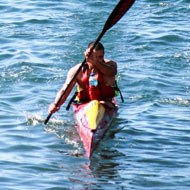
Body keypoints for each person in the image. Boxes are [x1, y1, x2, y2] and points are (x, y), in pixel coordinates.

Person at [48, 41, 120, 114]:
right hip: (84, 104)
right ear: (88, 56)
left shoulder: (111, 66)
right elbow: (64, 90)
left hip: (106, 103)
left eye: (100, 57)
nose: (97, 59)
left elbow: (112, 72)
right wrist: (56, 104)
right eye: (94, 56)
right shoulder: (77, 71)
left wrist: (94, 61)